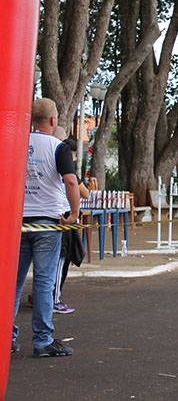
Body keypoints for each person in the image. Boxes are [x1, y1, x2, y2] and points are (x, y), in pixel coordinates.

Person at [12, 98, 80, 357]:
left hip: (19, 222)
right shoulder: (57, 147)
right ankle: (42, 340)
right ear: (53, 120)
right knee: (43, 282)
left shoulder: (19, 144)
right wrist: (74, 213)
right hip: (48, 223)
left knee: (14, 282)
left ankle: (7, 336)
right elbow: (70, 181)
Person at [52, 135, 90, 314]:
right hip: (64, 217)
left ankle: (39, 296)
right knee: (61, 260)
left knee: (45, 263)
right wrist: (74, 213)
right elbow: (84, 192)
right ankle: (55, 299)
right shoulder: (68, 171)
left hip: (49, 215)